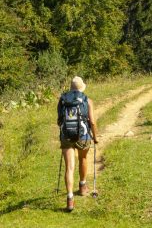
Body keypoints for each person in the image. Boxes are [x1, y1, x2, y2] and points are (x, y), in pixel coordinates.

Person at [57, 76, 98, 212]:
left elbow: (59, 120)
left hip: (66, 137)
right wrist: (95, 137)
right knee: (83, 158)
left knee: (69, 167)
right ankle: (82, 186)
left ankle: (69, 200)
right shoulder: (87, 100)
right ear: (81, 88)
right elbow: (92, 122)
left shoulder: (62, 100)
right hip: (83, 136)